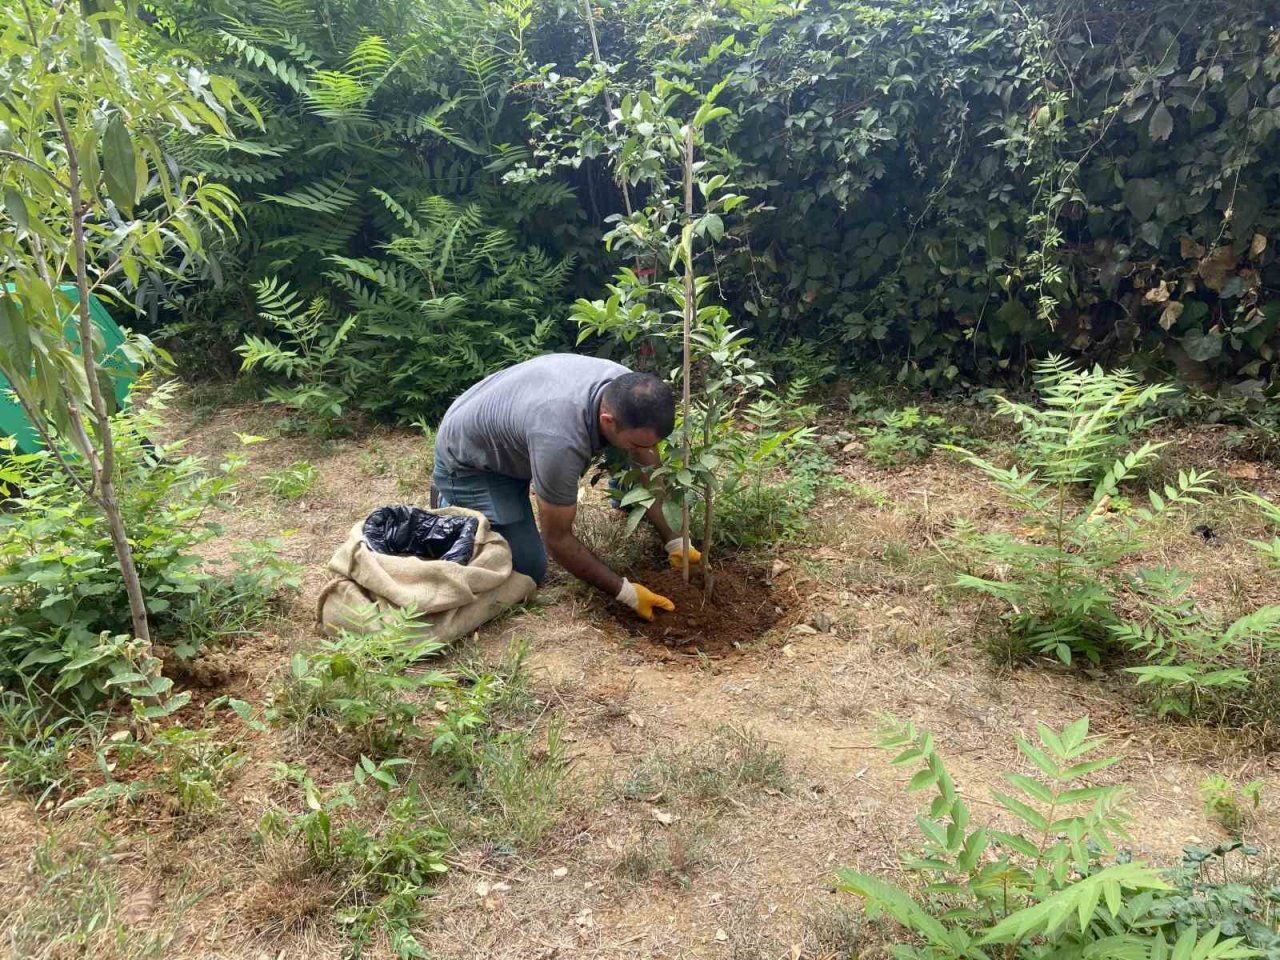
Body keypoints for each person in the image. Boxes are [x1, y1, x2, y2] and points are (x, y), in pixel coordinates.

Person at [431, 354, 701, 621]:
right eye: (639, 444)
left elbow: (648, 466)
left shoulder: (627, 389)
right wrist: (626, 593)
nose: (647, 451)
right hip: (472, 462)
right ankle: (451, 504)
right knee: (527, 569)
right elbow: (558, 539)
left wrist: (675, 538)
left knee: (627, 450)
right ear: (608, 420)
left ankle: (610, 489)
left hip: (517, 425)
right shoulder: (560, 441)